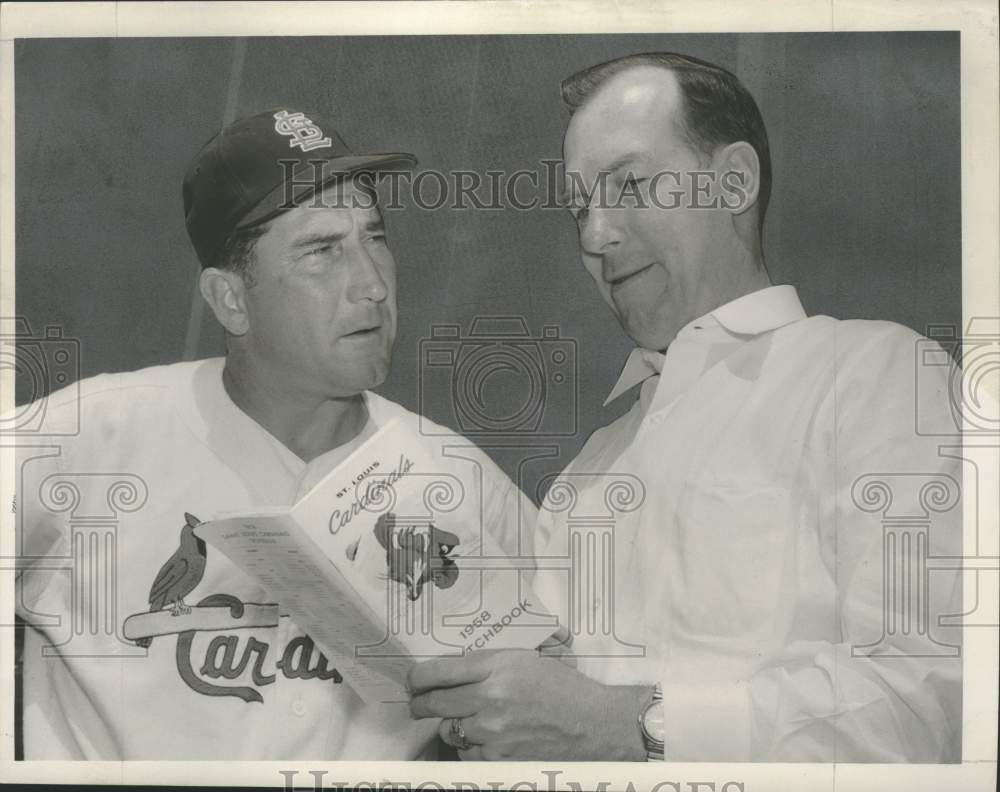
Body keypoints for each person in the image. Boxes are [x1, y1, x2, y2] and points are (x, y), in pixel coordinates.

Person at [407, 52, 963, 762]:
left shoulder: (878, 374)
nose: (594, 235)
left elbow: (932, 695)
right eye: (580, 207)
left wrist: (631, 724)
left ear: (734, 182)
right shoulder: (585, 475)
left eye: (630, 185)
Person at [13, 107, 533, 759]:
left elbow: (574, 703)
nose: (372, 284)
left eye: (375, 237)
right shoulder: (84, 441)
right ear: (231, 298)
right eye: (322, 252)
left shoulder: (460, 480)